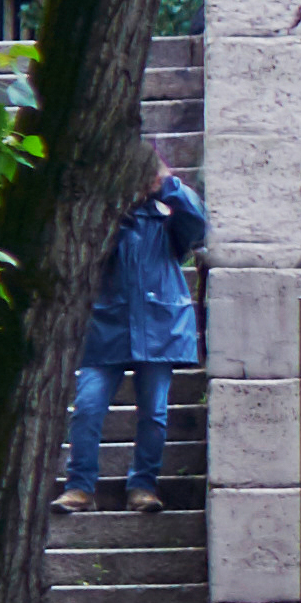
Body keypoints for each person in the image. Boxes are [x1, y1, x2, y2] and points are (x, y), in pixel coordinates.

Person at [59, 162, 210, 510]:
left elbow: (199, 223)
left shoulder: (167, 216)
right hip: (106, 328)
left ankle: (143, 487)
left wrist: (167, 182)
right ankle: (80, 486)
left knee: (154, 413)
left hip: (158, 328)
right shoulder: (99, 216)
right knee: (87, 407)